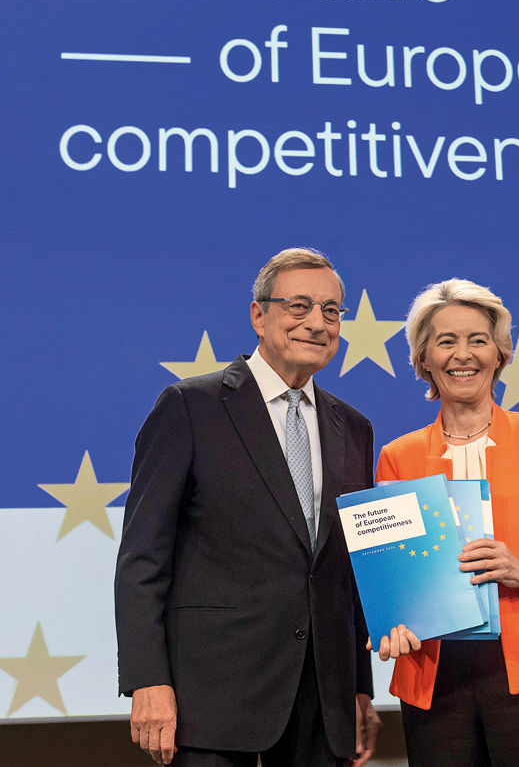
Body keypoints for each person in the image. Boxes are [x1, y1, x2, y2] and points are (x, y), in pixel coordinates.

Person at [115, 247, 380, 766]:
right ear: (259, 315)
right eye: (299, 306)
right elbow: (142, 559)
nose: (317, 323)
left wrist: (358, 686)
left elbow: (347, 570)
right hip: (211, 697)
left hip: (321, 702)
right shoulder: (190, 407)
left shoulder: (354, 428)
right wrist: (147, 678)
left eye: (332, 311)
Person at [374, 278, 519, 767]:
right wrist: (391, 619)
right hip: (433, 675)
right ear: (424, 360)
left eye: (478, 340)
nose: (464, 354)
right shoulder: (398, 457)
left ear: (499, 355)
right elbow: (392, 574)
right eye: (446, 341)